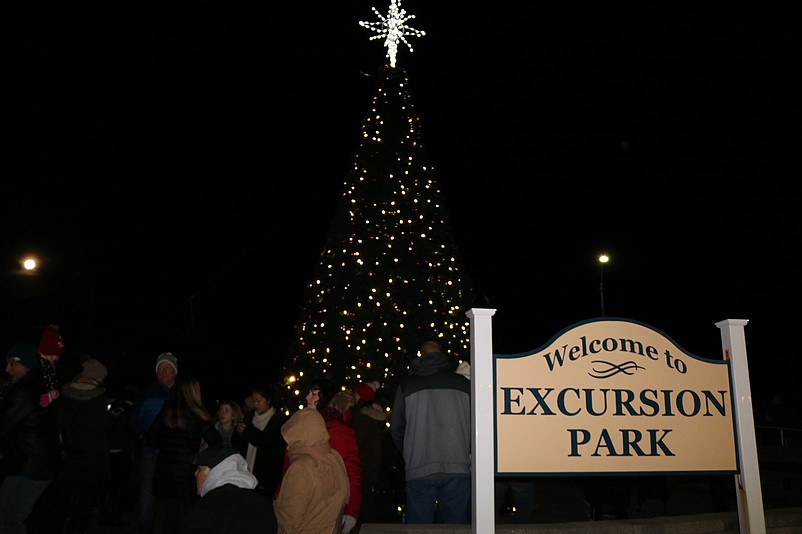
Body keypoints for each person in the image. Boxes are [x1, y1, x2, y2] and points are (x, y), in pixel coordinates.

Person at [390, 340, 471, 524]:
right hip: (457, 464)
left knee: (419, 526)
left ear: (421, 355)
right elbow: (476, 424)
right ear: (442, 355)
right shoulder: (463, 384)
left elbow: (396, 427)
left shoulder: (407, 385)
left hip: (419, 466)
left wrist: (411, 451)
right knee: (456, 527)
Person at [29, 356, 112, 533]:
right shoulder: (98, 398)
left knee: (62, 501)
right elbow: (103, 427)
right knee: (83, 503)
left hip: (68, 457)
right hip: (91, 460)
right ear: (97, 377)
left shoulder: (66, 395)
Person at [147, 376, 222, 534]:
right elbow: (216, 441)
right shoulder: (197, 414)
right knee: (187, 521)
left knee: (169, 520)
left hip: (165, 474)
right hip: (187, 475)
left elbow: (151, 439)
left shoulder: (166, 413)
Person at [0, 343, 61, 533]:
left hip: (30, 467)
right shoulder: (37, 386)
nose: (7, 369)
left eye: (12, 364)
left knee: (9, 520)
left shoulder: (24, 390)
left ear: (26, 365)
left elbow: (3, 424)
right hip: (29, 465)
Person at [274, 407, 349, 534]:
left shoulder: (301, 469)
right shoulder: (335, 459)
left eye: (292, 439)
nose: (288, 447)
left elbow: (287, 522)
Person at [128, 351, 178, 534]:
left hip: (175, 455)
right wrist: (143, 436)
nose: (164, 371)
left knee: (173, 505)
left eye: (167, 368)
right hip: (151, 453)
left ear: (175, 371)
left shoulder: (183, 393)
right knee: (146, 503)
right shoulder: (146, 394)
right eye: (160, 368)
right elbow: (133, 421)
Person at [306, 379, 361, 534]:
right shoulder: (303, 424)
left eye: (314, 394)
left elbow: (351, 469)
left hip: (327, 504)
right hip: (302, 499)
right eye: (309, 393)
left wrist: (351, 512)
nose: (308, 398)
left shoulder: (337, 429)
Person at [182, 445, 275, 533]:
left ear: (213, 473)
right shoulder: (262, 504)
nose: (195, 474)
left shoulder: (207, 507)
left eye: (199, 469)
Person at [231, 382, 287, 515]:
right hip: (245, 475)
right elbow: (237, 444)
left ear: (268, 400)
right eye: (253, 400)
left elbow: (272, 447)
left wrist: (249, 432)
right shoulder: (249, 417)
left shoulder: (279, 421)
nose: (255, 404)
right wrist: (238, 433)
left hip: (265, 481)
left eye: (259, 401)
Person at [351, 380, 393, 526]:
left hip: (362, 466)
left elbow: (357, 441)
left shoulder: (362, 416)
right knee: (368, 501)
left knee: (364, 503)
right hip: (371, 466)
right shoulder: (373, 416)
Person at [99, 384, 137, 526]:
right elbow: (131, 431)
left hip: (107, 452)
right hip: (121, 452)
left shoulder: (114, 407)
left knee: (107, 487)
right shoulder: (129, 410)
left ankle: (104, 515)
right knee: (119, 487)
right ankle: (114, 516)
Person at [37, 324, 65, 409]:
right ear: (49, 353)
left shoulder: (47, 364)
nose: (57, 358)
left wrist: (55, 393)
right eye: (56, 355)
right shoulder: (42, 367)